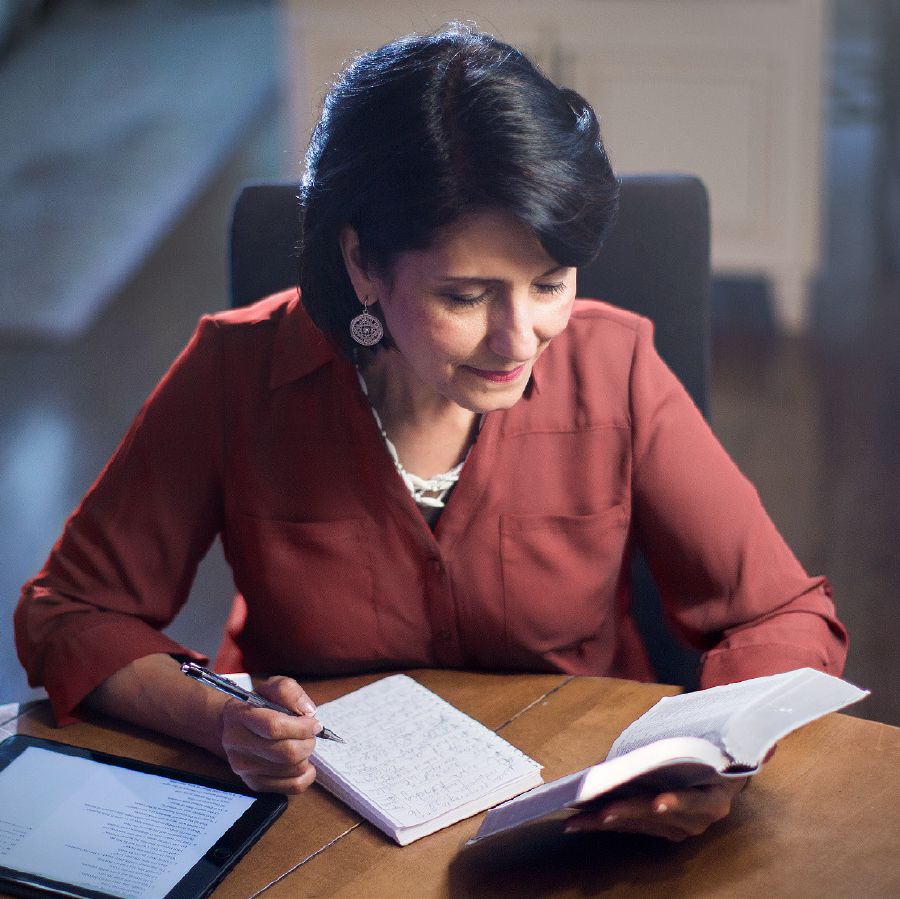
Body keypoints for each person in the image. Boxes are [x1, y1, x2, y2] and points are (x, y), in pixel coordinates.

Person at [15, 25, 847, 843]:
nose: (518, 339)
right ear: (364, 265)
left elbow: (781, 611)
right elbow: (69, 612)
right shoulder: (236, 372)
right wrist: (220, 722)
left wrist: (715, 759)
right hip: (319, 822)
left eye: (550, 283)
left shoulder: (616, 365)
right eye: (466, 296)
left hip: (578, 815)